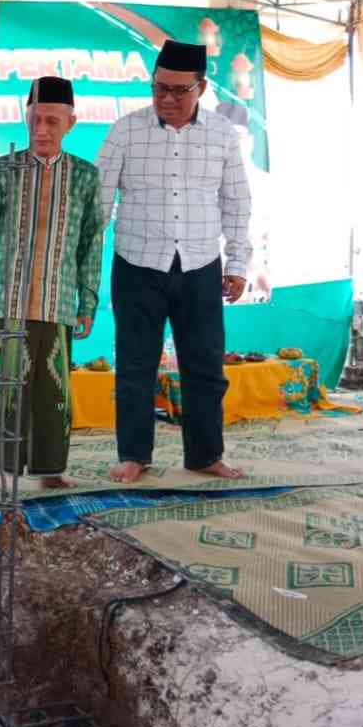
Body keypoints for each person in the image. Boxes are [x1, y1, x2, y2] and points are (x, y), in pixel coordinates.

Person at [96, 40, 252, 484]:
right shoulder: (126, 130)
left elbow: (237, 202)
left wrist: (237, 263)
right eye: (159, 88)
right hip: (137, 263)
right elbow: (100, 203)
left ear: (200, 88)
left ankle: (205, 454)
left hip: (201, 264)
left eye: (178, 91)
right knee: (135, 363)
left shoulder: (222, 134)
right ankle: (133, 454)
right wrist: (86, 266)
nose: (167, 98)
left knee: (204, 365)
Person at [0, 76, 104, 490]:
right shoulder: (4, 171)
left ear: (71, 122)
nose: (42, 130)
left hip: (57, 301)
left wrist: (88, 302)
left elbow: (91, 244)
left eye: (52, 121)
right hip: (3, 300)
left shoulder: (86, 177)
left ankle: (51, 470)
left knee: (52, 390)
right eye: (35, 120)